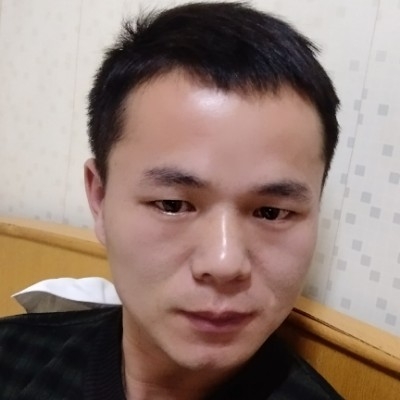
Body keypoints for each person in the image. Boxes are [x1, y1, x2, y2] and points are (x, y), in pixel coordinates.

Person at [0, 2, 342, 399]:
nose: (224, 263)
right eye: (173, 205)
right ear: (100, 199)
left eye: (271, 212)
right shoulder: (13, 358)